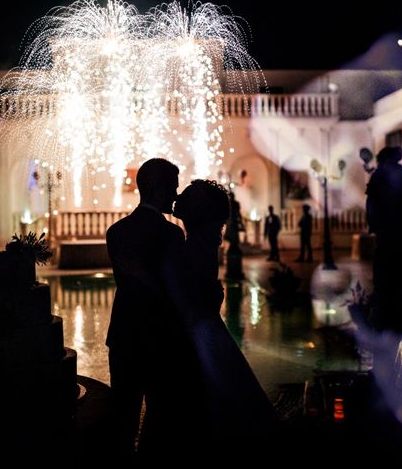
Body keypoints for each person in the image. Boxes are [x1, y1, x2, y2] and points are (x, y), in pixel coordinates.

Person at [161, 180, 279, 457]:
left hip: (196, 334)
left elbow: (191, 294)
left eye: (186, 195)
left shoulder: (192, 245)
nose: (178, 196)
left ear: (196, 210)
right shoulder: (204, 239)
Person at [105, 158, 186, 459]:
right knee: (159, 415)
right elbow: (174, 291)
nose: (175, 194)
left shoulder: (116, 232)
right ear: (154, 187)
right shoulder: (172, 235)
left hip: (124, 336)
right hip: (160, 339)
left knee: (122, 415)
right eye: (172, 187)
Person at [365, 146, 402, 332]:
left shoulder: (380, 175)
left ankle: (389, 317)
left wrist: (374, 223)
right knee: (401, 277)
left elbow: (371, 205)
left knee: (387, 276)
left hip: (390, 232)